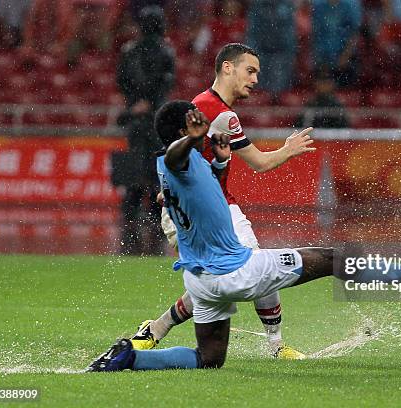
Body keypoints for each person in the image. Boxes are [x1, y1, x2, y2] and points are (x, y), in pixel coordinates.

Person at [87, 102, 333, 372]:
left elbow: (199, 186)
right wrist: (192, 138)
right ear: (185, 129)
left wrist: (221, 161)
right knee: (331, 258)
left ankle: (130, 357)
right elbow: (175, 159)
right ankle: (386, 276)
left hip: (201, 281)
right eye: (197, 122)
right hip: (235, 270)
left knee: (209, 359)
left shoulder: (184, 163)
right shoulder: (177, 159)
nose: (204, 126)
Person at [128, 43, 315, 359]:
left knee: (213, 280)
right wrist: (289, 149)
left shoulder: (203, 105)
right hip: (209, 212)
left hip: (199, 209)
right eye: (250, 70)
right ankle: (276, 345)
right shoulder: (220, 114)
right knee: (250, 268)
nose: (255, 80)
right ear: (227, 67)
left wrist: (171, 188)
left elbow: (181, 156)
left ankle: (157, 329)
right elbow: (259, 163)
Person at [114, 5, 174, 255]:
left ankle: (130, 218)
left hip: (138, 120)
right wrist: (148, 101)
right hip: (155, 120)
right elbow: (166, 83)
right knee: (156, 171)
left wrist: (134, 104)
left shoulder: (130, 50)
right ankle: (156, 216)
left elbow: (122, 81)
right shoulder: (165, 51)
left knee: (136, 172)